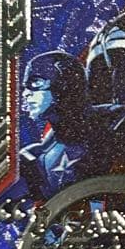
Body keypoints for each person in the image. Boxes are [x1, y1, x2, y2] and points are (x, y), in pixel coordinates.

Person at [19, 50, 92, 198]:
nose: (25, 94)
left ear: (63, 85)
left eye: (36, 82)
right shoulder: (37, 153)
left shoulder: (112, 125)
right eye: (26, 86)